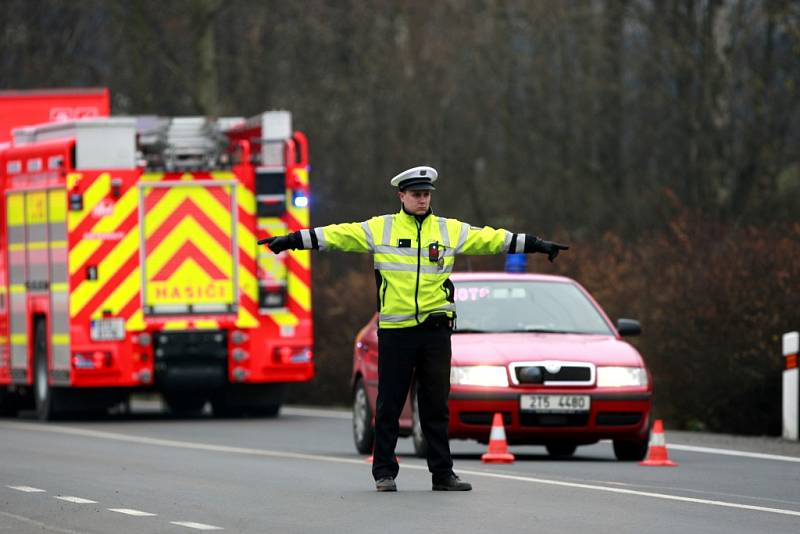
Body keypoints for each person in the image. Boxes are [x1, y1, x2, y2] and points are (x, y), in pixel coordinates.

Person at [259, 166, 568, 492]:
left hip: (435, 331)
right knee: (389, 405)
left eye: (426, 194)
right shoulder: (381, 228)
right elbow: (336, 235)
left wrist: (535, 244)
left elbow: (491, 238)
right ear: (401, 195)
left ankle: (442, 474)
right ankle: (384, 473)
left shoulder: (449, 230)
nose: (422, 199)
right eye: (416, 194)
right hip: (396, 331)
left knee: (436, 406)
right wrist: (292, 240)